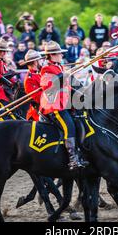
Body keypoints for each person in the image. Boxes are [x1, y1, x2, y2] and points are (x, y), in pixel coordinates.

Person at [40, 41, 89, 170]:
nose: (61, 55)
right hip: (54, 106)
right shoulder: (46, 68)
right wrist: (62, 75)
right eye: (59, 53)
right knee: (69, 126)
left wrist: (80, 92)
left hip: (65, 104)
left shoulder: (59, 67)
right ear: (52, 55)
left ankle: (80, 152)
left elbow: (66, 86)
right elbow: (47, 85)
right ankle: (73, 159)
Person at [20, 50, 43, 121]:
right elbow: (38, 98)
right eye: (40, 60)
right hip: (38, 112)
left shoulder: (39, 73)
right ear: (35, 62)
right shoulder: (29, 79)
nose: (42, 62)